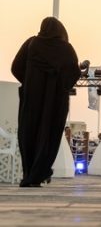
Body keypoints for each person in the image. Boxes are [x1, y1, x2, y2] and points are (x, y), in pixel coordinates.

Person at [11, 17, 81, 188]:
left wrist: (29, 81)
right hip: (55, 103)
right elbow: (75, 73)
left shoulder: (31, 43)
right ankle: (40, 172)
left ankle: (29, 174)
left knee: (29, 134)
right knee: (49, 135)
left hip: (32, 100)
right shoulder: (66, 49)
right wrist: (60, 86)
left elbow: (15, 67)